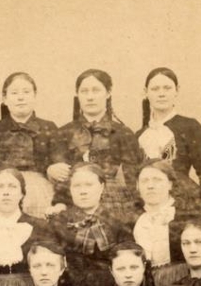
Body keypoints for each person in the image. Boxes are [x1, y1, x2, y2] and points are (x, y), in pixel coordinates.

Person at [49, 69, 144, 225]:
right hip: (74, 202)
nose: (90, 97)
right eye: (84, 91)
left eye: (96, 90)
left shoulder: (123, 133)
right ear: (77, 95)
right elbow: (62, 177)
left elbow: (133, 178)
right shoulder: (64, 133)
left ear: (108, 93)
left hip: (114, 204)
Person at [137, 67, 201, 214]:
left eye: (167, 88)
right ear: (146, 92)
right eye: (155, 89)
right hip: (148, 204)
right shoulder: (140, 135)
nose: (161, 94)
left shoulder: (190, 127)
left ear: (177, 90)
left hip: (183, 204)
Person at [0, 72, 59, 212]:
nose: (21, 97)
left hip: (40, 191)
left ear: (34, 95)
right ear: (5, 99)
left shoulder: (49, 127)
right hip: (4, 189)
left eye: (26, 92)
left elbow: (58, 164)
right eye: (14, 93)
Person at [48, 162, 133, 286]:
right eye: (77, 186)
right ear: (70, 189)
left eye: (89, 185)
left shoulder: (118, 223)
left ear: (101, 187)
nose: (83, 191)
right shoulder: (59, 223)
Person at [0, 166, 50, 286]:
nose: (6, 193)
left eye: (12, 187)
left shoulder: (40, 227)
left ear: (22, 193)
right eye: (0, 187)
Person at [131, 160, 191, 286]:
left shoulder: (186, 217)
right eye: (144, 181)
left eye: (157, 180)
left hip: (182, 284)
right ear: (137, 186)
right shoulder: (135, 221)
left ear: (170, 184)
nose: (150, 186)